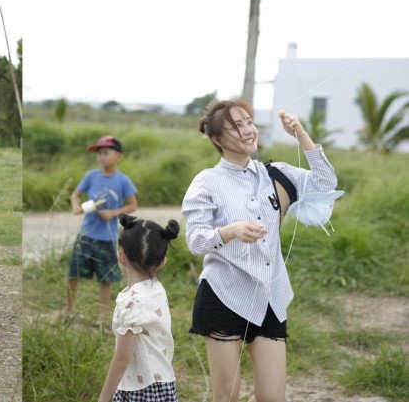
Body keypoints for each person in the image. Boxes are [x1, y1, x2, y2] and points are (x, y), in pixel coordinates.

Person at [182, 100, 337, 402]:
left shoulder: (276, 173)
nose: (247, 130)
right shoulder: (207, 181)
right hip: (224, 295)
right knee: (226, 397)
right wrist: (229, 231)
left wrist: (301, 135)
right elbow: (196, 240)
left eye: (249, 122)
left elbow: (325, 182)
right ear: (217, 139)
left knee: (273, 398)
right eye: (236, 126)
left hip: (270, 297)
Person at [98, 214, 179, 402]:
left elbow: (122, 359)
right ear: (162, 262)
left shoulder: (132, 303)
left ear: (120, 256)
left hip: (140, 389)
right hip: (164, 383)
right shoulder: (156, 289)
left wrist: (103, 399)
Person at [64, 136, 138, 331]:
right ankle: (68, 309)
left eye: (105, 153)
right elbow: (76, 194)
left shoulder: (123, 180)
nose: (101, 157)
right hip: (86, 235)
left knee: (106, 279)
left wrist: (113, 213)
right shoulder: (91, 176)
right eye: (99, 153)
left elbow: (133, 205)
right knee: (73, 274)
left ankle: (102, 316)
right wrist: (75, 206)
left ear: (118, 156)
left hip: (107, 239)